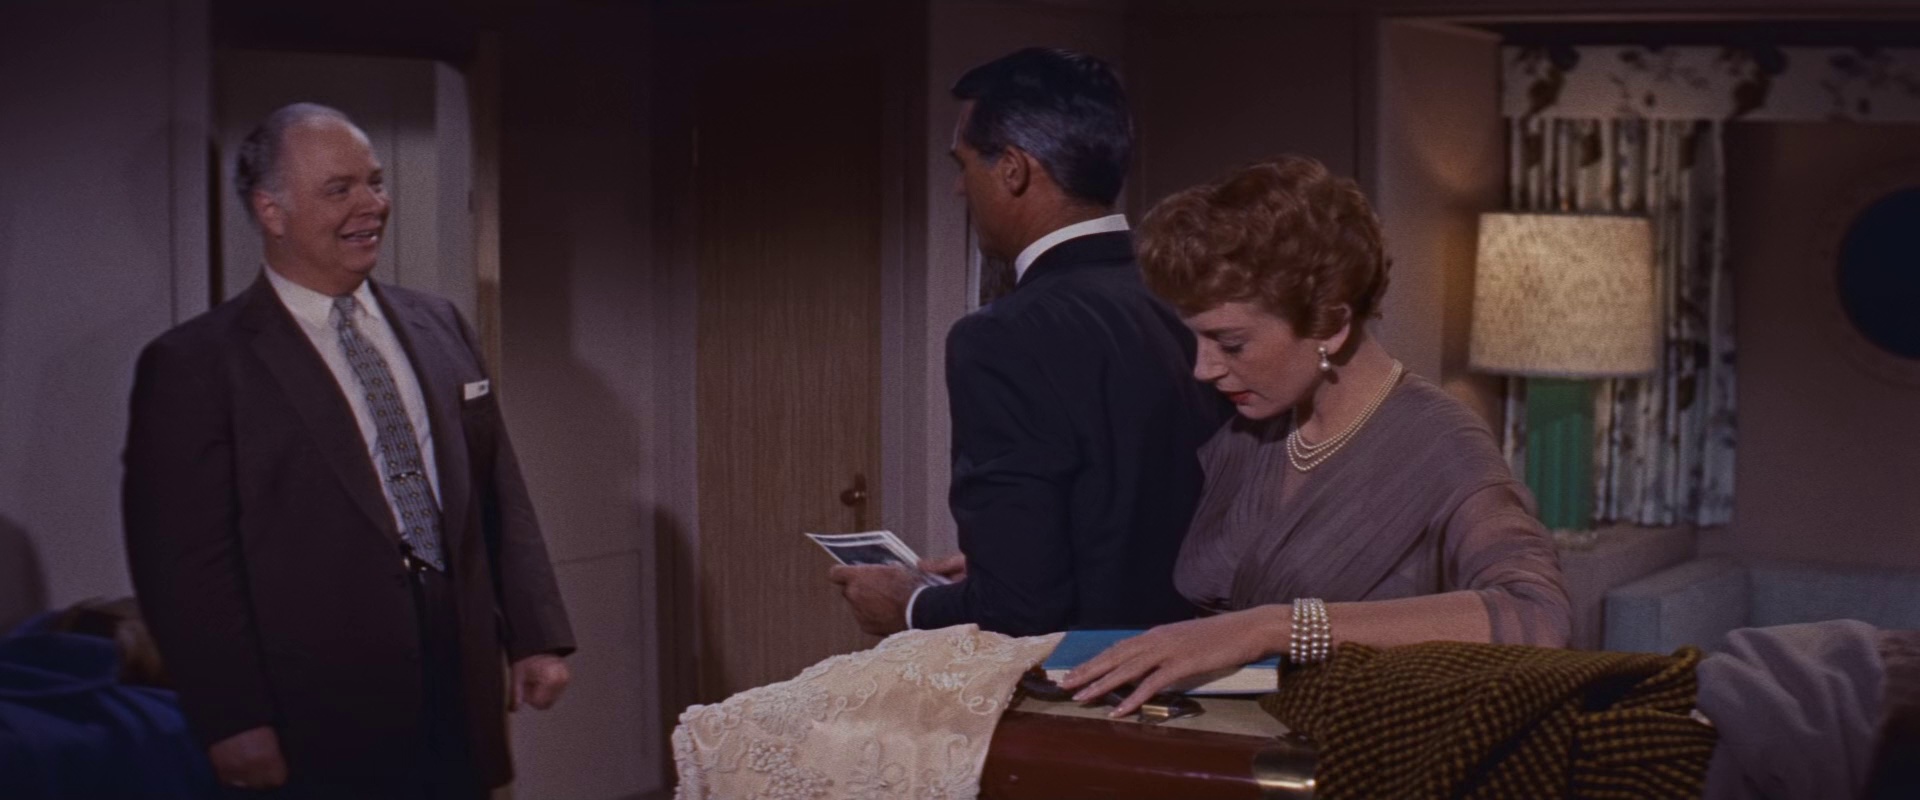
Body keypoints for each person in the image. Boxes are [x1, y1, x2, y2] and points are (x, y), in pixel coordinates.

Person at [122, 103, 575, 798]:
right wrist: (231, 718)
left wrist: (536, 634)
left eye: (375, 181)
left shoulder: (439, 322)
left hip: (455, 678)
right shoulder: (196, 365)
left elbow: (495, 489)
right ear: (271, 211)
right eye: (340, 189)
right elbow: (186, 566)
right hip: (315, 707)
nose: (373, 205)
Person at [1059, 155, 1571, 715]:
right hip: (1218, 740)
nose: (1203, 368)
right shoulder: (1252, 428)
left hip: (1346, 747)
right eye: (1196, 340)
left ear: (1330, 324)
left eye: (1231, 344)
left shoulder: (1441, 445)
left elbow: (1536, 615)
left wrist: (1274, 627)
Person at [830, 48, 1225, 637]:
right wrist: (1002, 561)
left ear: (1012, 169)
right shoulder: (1189, 297)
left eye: (964, 164)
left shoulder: (1000, 338)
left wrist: (909, 608)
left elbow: (1021, 607)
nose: (959, 188)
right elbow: (1137, 510)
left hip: (1086, 675)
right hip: (1205, 656)